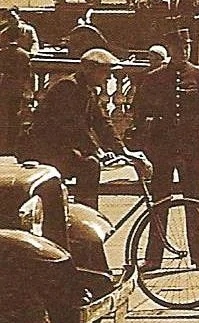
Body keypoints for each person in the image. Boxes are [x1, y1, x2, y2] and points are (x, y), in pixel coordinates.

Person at [131, 27, 199, 271]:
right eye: (180, 48)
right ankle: (153, 258)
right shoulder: (154, 78)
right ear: (170, 50)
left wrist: (197, 135)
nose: (184, 52)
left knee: (194, 202)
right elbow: (139, 113)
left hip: (191, 150)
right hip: (163, 149)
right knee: (160, 203)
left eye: (187, 48)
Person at [26, 48, 149, 210]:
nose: (109, 77)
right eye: (104, 71)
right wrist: (97, 150)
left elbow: (103, 123)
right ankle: (85, 214)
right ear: (89, 70)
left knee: (91, 163)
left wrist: (124, 151)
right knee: (89, 165)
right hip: (44, 148)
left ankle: (86, 212)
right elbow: (74, 126)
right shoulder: (68, 87)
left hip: (62, 147)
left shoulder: (87, 91)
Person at [0, 17, 32, 153]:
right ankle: (12, 144)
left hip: (3, 87)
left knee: (2, 115)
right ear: (19, 37)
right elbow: (27, 75)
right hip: (17, 88)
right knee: (15, 116)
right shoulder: (24, 55)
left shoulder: (2, 53)